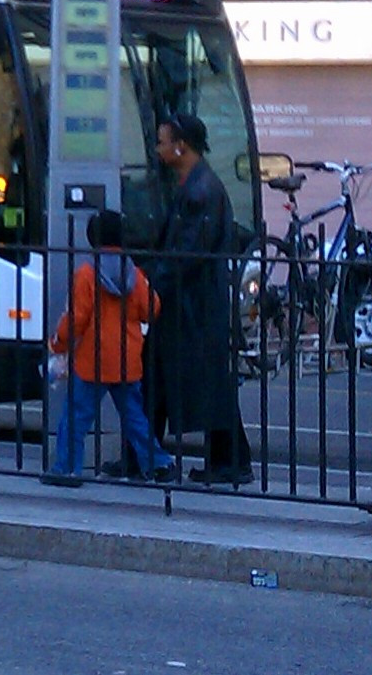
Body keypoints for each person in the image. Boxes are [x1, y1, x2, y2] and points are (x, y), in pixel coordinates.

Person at [144, 113, 252, 485]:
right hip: (188, 305)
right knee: (162, 379)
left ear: (181, 145)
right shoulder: (194, 185)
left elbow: (187, 252)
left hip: (193, 306)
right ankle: (144, 453)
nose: (157, 149)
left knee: (207, 384)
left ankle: (229, 460)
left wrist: (151, 288)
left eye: (162, 141)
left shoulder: (201, 191)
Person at [46, 210, 175, 486]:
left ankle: (67, 469)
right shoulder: (134, 273)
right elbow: (151, 309)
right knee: (134, 418)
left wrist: (58, 342)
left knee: (75, 418)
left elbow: (76, 319)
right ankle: (160, 463)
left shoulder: (86, 274)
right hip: (127, 361)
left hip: (91, 361)